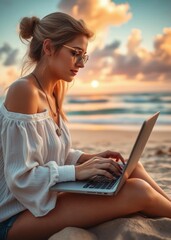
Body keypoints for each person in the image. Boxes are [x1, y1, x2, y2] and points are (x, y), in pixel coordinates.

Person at [0, 11, 170, 240]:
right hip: (15, 216)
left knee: (131, 168)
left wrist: (88, 158)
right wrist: (77, 172)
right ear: (49, 48)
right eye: (75, 54)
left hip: (39, 202)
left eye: (84, 56)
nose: (81, 63)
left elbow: (49, 152)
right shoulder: (24, 91)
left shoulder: (54, 91)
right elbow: (20, 177)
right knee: (137, 191)